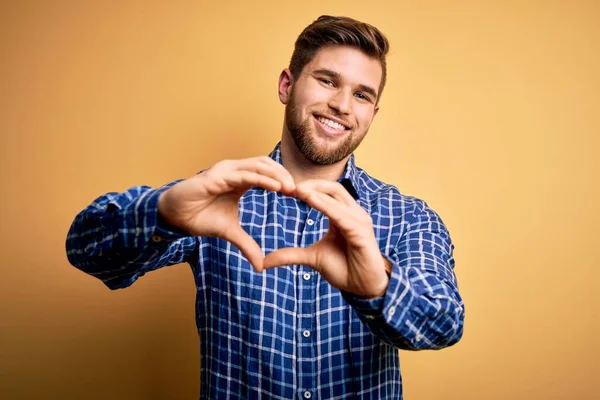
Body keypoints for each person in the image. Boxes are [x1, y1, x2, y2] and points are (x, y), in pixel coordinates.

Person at [66, 15, 465, 399]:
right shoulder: (216, 196)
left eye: (362, 95)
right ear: (286, 86)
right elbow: (86, 249)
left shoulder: (409, 216)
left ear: (371, 115)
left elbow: (445, 322)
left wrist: (377, 283)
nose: (343, 105)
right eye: (327, 81)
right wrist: (163, 211)